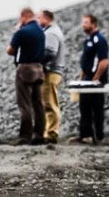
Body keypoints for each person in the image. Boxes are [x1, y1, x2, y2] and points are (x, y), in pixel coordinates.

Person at [6, 8, 47, 145]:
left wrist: (17, 30)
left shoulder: (22, 32)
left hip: (24, 68)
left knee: (24, 103)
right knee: (38, 103)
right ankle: (39, 134)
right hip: (38, 67)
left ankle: (25, 136)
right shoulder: (41, 31)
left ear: (23, 17)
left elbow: (10, 50)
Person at [75, 13, 109, 143]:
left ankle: (98, 136)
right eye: (82, 23)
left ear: (93, 24)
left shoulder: (99, 40)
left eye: (85, 23)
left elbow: (104, 62)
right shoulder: (88, 41)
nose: (83, 25)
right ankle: (85, 135)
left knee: (96, 108)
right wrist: (81, 79)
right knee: (84, 107)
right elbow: (86, 63)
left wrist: (96, 79)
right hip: (87, 79)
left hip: (95, 80)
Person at [38, 10, 66, 144]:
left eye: (39, 17)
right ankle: (49, 131)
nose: (37, 20)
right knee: (49, 102)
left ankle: (51, 133)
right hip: (54, 71)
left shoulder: (51, 33)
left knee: (49, 102)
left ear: (46, 18)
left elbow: (50, 51)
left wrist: (38, 60)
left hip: (51, 71)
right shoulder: (52, 31)